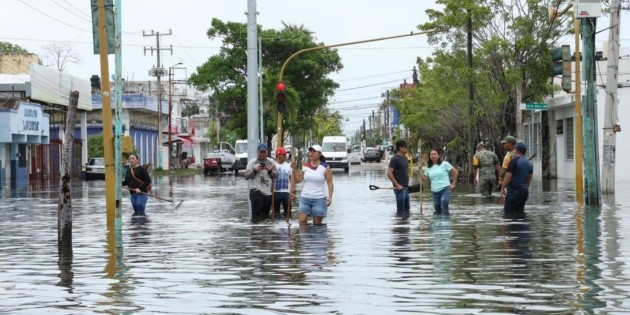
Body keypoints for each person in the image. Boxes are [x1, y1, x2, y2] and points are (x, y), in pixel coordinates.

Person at [293, 145, 333, 225]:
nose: (311, 153)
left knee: (317, 225)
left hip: (319, 199)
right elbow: (298, 180)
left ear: (319, 154)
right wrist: (294, 169)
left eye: (314, 151)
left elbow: (330, 183)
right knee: (302, 222)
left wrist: (330, 197)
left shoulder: (325, 167)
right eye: (311, 151)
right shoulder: (305, 166)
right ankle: (304, 237)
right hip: (305, 198)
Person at [244, 143, 278, 220]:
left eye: (264, 152)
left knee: (266, 216)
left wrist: (269, 170)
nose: (262, 154)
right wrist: (255, 170)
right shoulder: (252, 162)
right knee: (256, 216)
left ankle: (265, 231)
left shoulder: (271, 162)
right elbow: (246, 176)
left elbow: (276, 175)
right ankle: (256, 231)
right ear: (257, 152)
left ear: (267, 152)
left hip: (268, 193)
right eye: (261, 152)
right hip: (256, 191)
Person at [421, 149, 458, 214]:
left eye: (435, 154)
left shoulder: (444, 164)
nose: (433, 155)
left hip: (445, 189)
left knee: (444, 203)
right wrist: (420, 170)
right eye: (431, 154)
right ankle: (438, 223)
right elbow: (424, 179)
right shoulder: (428, 167)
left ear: (438, 156)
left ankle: (445, 223)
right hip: (434, 191)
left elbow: (455, 172)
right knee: (437, 210)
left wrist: (453, 184)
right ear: (429, 156)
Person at [501, 142, 533, 213]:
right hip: (524, 192)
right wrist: (524, 187)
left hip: (514, 191)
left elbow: (508, 176)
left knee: (508, 214)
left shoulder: (514, 161)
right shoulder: (529, 163)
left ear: (516, 150)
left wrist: (503, 187)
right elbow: (529, 179)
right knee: (520, 212)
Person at [387, 139, 410, 218]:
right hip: (399, 189)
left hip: (406, 187)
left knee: (407, 209)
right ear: (400, 148)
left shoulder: (405, 158)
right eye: (406, 147)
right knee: (401, 211)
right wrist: (397, 185)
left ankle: (406, 227)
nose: (407, 148)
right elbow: (389, 173)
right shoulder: (395, 159)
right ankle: (400, 228)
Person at [273, 146, 294, 217]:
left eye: (285, 154)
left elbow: (292, 179)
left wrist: (292, 192)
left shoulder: (289, 166)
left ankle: (287, 225)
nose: (285, 156)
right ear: (278, 155)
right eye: (283, 154)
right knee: (275, 212)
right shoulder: (273, 165)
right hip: (275, 192)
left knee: (288, 212)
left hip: (286, 192)